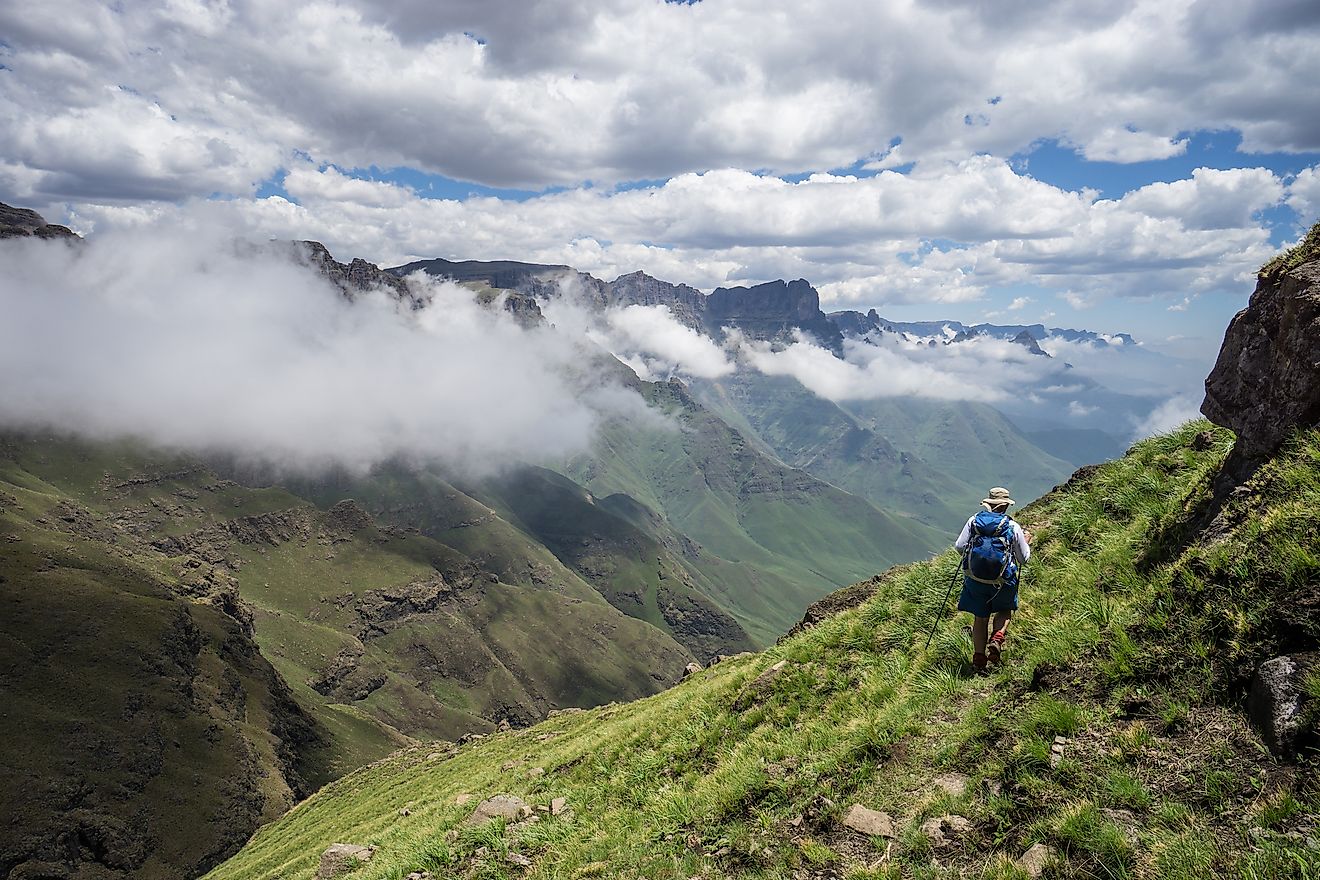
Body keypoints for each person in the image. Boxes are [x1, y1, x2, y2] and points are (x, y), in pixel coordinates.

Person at [954, 486, 1031, 673]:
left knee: (980, 618)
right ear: (1005, 506)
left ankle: (979, 661)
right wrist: (1026, 542)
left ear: (988, 504)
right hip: (1002, 580)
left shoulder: (974, 521)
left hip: (975, 578)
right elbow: (1023, 559)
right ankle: (997, 638)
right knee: (1004, 610)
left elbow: (959, 546)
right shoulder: (1012, 526)